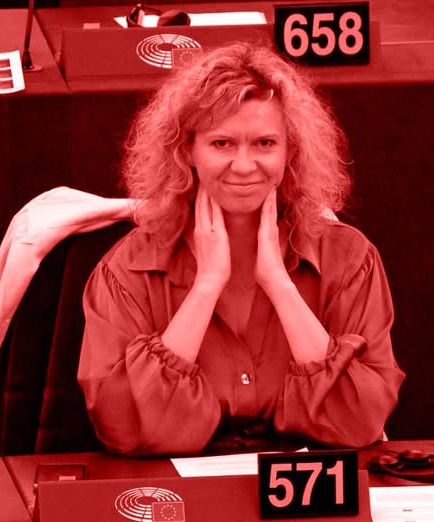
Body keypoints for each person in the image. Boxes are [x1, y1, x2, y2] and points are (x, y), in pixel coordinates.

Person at [78, 42, 405, 456]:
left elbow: (360, 422)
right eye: (222, 144)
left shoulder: (350, 258)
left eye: (265, 143)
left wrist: (279, 284)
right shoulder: (127, 269)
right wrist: (207, 285)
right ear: (187, 151)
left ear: (291, 151)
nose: (245, 165)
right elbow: (124, 428)